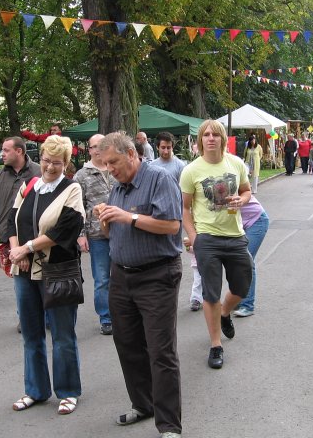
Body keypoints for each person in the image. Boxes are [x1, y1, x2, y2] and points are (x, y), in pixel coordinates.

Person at [96, 132, 183, 438]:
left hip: (157, 275)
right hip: (121, 275)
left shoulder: (159, 179)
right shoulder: (117, 186)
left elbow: (172, 225)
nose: (110, 169)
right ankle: (143, 404)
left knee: (161, 351)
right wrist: (107, 219)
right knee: (128, 345)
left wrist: (128, 216)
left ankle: (169, 425)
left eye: (114, 162)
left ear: (131, 154)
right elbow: (113, 232)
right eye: (105, 164)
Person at [6, 135, 85, 416]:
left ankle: (68, 391)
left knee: (63, 334)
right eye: (46, 161)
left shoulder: (71, 189)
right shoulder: (29, 185)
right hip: (24, 270)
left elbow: (65, 229)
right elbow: (11, 221)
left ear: (66, 163)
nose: (50, 167)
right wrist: (18, 252)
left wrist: (27, 248)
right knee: (31, 334)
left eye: (57, 163)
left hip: (57, 271)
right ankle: (35, 391)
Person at [180, 119, 253, 370]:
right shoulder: (191, 170)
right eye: (206, 135)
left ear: (223, 139)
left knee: (242, 286)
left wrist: (242, 201)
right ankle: (215, 345)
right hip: (207, 239)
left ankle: (224, 313)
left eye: (215, 134)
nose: (210, 138)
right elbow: (186, 209)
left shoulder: (236, 163)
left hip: (235, 236)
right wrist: (194, 236)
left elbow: (246, 190)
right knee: (210, 293)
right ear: (200, 141)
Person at [0, 136, 41, 331]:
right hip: (9, 237)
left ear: (19, 151)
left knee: (41, 276)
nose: (2, 154)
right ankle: (25, 318)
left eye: (6, 150)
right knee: (20, 280)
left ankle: (46, 316)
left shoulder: (38, 171)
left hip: (37, 238)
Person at [74, 134, 115, 335]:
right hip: (97, 235)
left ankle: (122, 313)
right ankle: (106, 317)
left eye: (102, 145)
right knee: (102, 279)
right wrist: (81, 235)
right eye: (94, 146)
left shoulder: (116, 168)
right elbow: (76, 208)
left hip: (122, 232)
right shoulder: (82, 175)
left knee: (122, 277)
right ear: (89, 150)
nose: (98, 149)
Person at [231, 195, 270, 318]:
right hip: (241, 223)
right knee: (235, 262)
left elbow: (231, 208)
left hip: (256, 221)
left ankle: (247, 305)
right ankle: (238, 299)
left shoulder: (230, 183)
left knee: (246, 262)